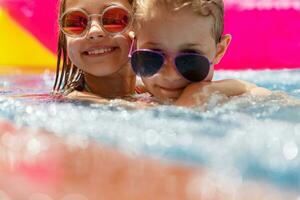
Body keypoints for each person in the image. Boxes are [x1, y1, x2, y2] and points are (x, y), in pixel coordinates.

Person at [129, 0, 271, 107]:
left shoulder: (224, 100)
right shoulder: (132, 97)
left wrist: (206, 91)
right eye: (152, 56)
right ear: (134, 46)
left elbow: (271, 97)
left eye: (190, 59)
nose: (170, 76)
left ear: (219, 51)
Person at [52, 0, 136, 100]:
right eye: (76, 23)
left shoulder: (151, 88)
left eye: (113, 19)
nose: (94, 31)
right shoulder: (76, 99)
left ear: (142, 24)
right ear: (64, 38)